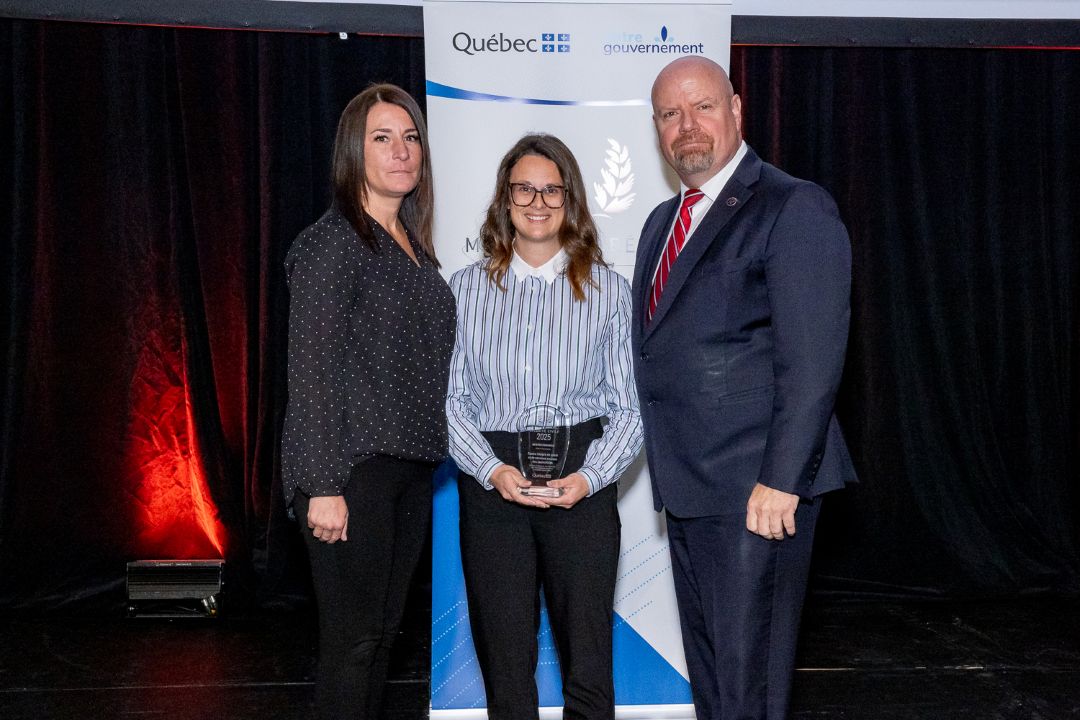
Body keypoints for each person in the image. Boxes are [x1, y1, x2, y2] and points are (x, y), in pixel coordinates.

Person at [632, 56, 858, 720]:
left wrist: (782, 479)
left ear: (736, 111)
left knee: (749, 689)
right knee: (715, 685)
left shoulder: (793, 205)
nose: (687, 127)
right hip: (690, 490)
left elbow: (812, 361)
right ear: (656, 129)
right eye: (670, 115)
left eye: (702, 107)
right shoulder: (659, 225)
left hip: (757, 494)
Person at [446, 133, 642, 720]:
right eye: (524, 188)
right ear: (505, 199)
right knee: (505, 665)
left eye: (551, 189)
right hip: (492, 483)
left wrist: (592, 476)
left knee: (588, 663)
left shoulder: (608, 291)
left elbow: (631, 407)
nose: (538, 200)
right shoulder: (464, 290)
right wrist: (490, 469)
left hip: (582, 477)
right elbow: (451, 403)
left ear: (571, 200)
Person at [281, 83, 455, 720]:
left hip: (408, 471)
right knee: (354, 643)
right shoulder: (332, 245)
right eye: (383, 138)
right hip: (349, 472)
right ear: (353, 150)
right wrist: (323, 484)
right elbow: (313, 372)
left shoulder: (411, 244)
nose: (401, 150)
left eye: (410, 137)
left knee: (380, 640)